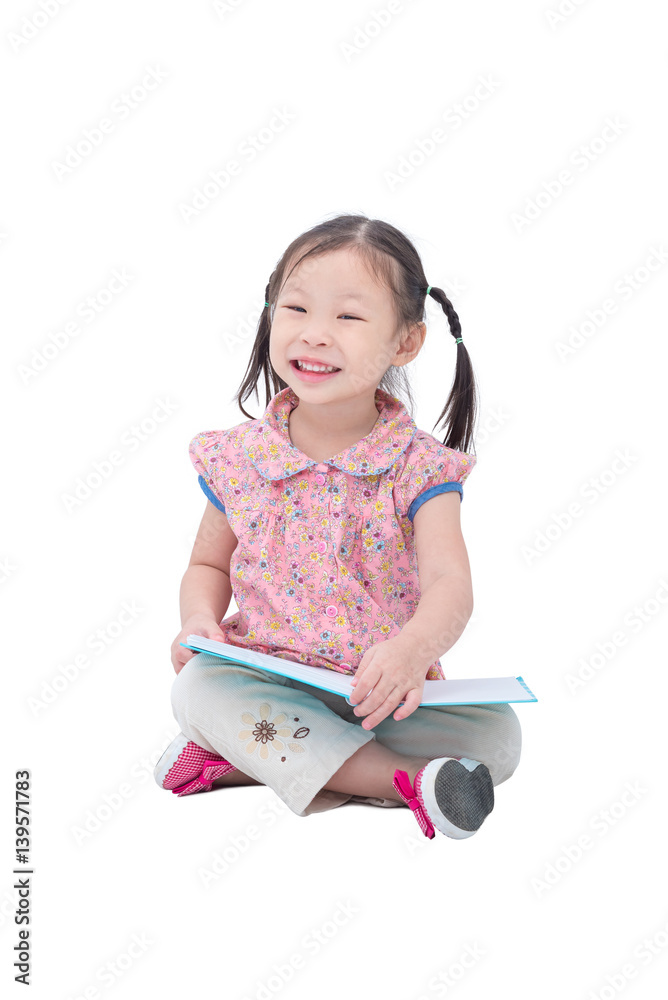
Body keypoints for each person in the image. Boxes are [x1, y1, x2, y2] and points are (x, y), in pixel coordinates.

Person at [154, 213, 522, 841]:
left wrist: (410, 654)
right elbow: (208, 566)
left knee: (499, 735)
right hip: (265, 678)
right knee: (198, 692)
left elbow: (449, 586)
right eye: (295, 309)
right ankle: (405, 781)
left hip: (382, 693)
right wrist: (198, 621)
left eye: (348, 318)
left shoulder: (418, 468)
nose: (315, 335)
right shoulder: (241, 457)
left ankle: (243, 763)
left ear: (406, 343)